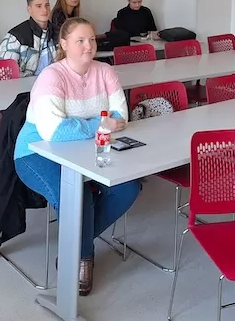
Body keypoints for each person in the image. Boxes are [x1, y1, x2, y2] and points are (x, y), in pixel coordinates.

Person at [14, 17, 140, 295]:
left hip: (87, 150)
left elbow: (121, 116)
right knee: (76, 195)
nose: (88, 46)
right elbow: (54, 132)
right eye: (80, 41)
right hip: (35, 153)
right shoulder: (52, 76)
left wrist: (94, 124)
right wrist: (101, 122)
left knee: (129, 188)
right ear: (64, 44)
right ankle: (83, 257)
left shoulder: (105, 71)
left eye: (92, 39)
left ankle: (73, 246)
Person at [0, 0, 57, 77]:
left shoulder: (59, 32)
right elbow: (4, 74)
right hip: (26, 85)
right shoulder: (15, 37)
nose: (45, 10)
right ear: (29, 9)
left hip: (56, 82)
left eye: (47, 5)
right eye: (39, 6)